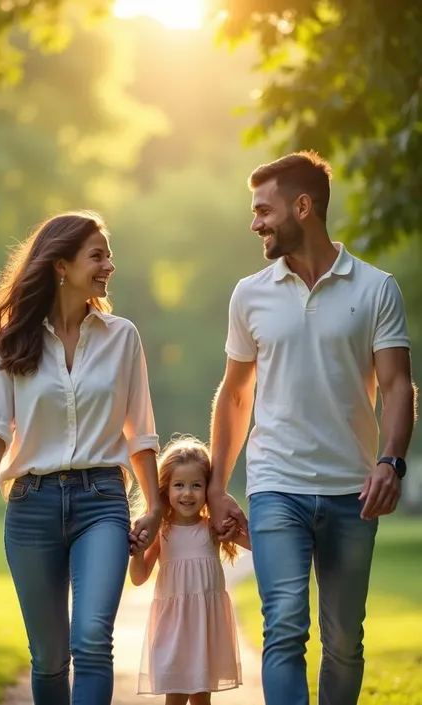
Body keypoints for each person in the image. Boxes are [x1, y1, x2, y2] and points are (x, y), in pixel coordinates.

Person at [207, 151, 415, 705]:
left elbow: (397, 387)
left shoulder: (376, 289)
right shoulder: (249, 294)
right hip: (277, 486)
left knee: (345, 642)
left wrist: (391, 461)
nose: (256, 223)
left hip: (355, 489)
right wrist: (217, 484)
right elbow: (234, 394)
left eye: (263, 210)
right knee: (284, 629)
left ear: (304, 207)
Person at [0, 211, 162, 705]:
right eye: (97, 255)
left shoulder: (123, 337)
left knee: (93, 639)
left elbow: (141, 432)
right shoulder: (11, 341)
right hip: (32, 506)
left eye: (108, 255)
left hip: (103, 502)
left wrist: (155, 506)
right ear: (60, 265)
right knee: (49, 657)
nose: (108, 265)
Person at [130, 437, 250, 705]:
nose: (187, 493)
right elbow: (138, 578)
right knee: (175, 697)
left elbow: (257, 546)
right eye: (179, 485)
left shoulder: (213, 527)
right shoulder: (162, 531)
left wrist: (236, 528)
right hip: (174, 628)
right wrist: (137, 552)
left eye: (196, 485)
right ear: (165, 489)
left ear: (208, 489)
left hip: (205, 626)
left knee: (201, 698)